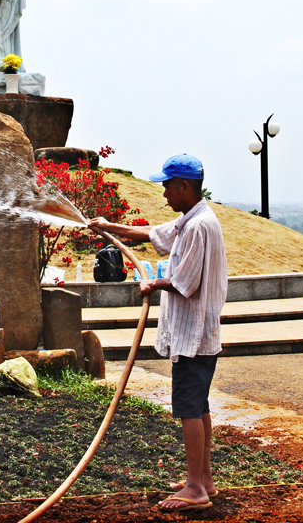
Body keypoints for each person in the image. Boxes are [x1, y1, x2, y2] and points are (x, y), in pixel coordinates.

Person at [89, 154, 227, 512]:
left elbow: (184, 283)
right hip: (198, 334)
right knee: (199, 406)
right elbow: (151, 234)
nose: (163, 192)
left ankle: (195, 488)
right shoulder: (191, 219)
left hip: (192, 335)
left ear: (184, 186)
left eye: (167, 185)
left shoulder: (198, 226)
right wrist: (110, 227)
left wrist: (153, 283)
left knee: (189, 410)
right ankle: (204, 479)